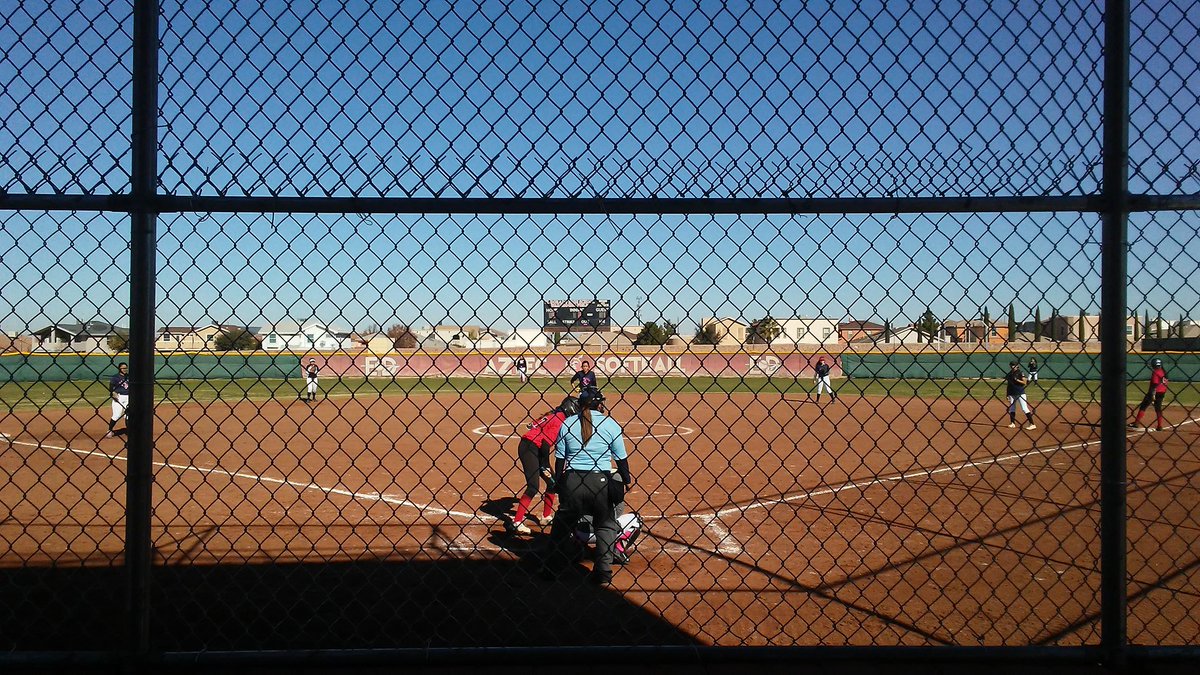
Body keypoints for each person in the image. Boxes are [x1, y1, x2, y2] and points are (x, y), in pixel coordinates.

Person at [542, 388, 634, 586]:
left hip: (573, 481)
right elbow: (621, 460)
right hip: (600, 481)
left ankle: (551, 569)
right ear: (599, 405)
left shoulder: (568, 423)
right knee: (606, 526)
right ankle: (603, 572)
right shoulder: (610, 424)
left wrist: (560, 483)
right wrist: (627, 480)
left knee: (561, 527)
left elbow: (560, 460)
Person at [508, 395, 580, 534]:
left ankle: (545, 516)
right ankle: (517, 522)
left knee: (552, 483)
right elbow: (546, 444)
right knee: (533, 486)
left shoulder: (555, 414)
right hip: (530, 448)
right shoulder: (559, 419)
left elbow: (532, 425)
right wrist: (545, 463)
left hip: (535, 448)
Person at [1130, 358, 1168, 432]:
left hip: (1154, 392)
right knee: (1158, 408)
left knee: (1143, 406)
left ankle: (1136, 423)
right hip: (1162, 392)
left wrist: (1153, 393)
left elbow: (1155, 383)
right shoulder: (1164, 372)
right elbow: (1165, 383)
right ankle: (1159, 426)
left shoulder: (1156, 372)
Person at [1004, 360, 1036, 430]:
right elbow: (1008, 385)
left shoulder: (1020, 372)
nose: (1012, 366)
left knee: (1024, 408)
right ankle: (1012, 423)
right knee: (1012, 408)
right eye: (1011, 365)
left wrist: (1017, 380)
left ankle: (1032, 424)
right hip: (1012, 393)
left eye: (1014, 365)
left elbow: (1024, 382)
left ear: (1017, 366)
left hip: (1020, 393)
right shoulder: (1009, 374)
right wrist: (1007, 394)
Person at [105, 362, 129, 439]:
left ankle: (129, 431)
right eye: (123, 368)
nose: (125, 369)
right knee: (117, 415)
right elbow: (111, 388)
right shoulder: (115, 377)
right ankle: (109, 430)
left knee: (128, 415)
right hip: (119, 397)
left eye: (126, 368)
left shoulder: (129, 376)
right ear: (119, 368)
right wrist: (113, 393)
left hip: (128, 397)